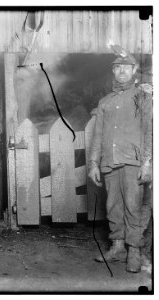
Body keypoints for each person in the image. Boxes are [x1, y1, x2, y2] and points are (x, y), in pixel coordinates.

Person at [88, 53, 153, 273]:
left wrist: (147, 163)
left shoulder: (143, 97)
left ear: (135, 70)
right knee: (112, 206)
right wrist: (94, 163)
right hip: (110, 162)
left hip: (133, 162)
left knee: (133, 207)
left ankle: (134, 250)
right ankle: (117, 247)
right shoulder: (105, 102)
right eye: (117, 67)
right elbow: (97, 135)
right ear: (113, 71)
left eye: (127, 67)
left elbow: (149, 132)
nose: (122, 71)